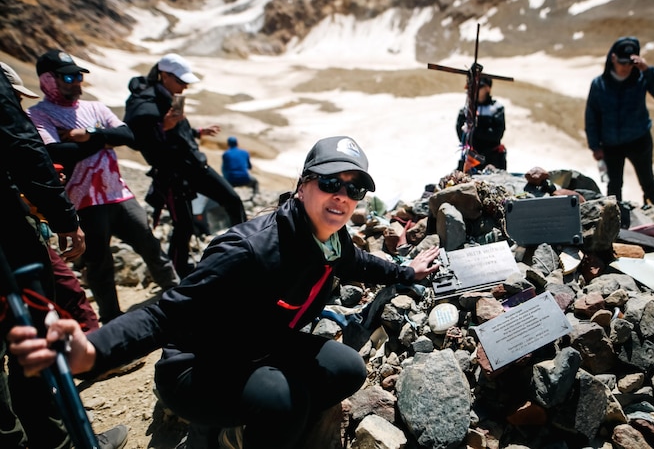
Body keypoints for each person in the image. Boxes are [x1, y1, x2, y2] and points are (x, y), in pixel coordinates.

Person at [9, 135, 442, 449]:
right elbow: (166, 314)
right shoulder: (249, 248)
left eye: (355, 188)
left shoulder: (330, 237)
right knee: (281, 399)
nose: (343, 197)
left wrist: (406, 272)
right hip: (197, 367)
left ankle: (251, 428)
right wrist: (92, 352)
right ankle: (237, 433)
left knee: (347, 369)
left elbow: (358, 264)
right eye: (331, 183)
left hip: (262, 346)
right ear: (303, 184)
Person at [0, 63, 128, 449]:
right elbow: (23, 147)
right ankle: (56, 441)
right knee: (35, 332)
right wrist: (64, 219)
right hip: (7, 234)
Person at [27, 49, 180, 324]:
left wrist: (87, 136)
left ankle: (176, 291)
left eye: (78, 76)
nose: (76, 82)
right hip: (82, 199)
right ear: (48, 80)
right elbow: (56, 153)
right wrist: (103, 141)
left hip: (118, 193)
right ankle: (112, 319)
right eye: (68, 77)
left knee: (148, 242)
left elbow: (128, 135)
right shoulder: (39, 114)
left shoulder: (94, 108)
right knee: (99, 262)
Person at [123, 53, 247, 277]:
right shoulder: (145, 103)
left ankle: (245, 248)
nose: (185, 87)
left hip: (192, 165)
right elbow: (138, 138)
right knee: (185, 225)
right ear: (164, 75)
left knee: (232, 200)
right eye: (181, 81)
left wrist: (198, 132)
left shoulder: (167, 96)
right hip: (173, 174)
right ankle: (179, 271)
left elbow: (178, 133)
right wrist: (164, 126)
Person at [584, 36, 654, 206]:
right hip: (611, 144)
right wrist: (595, 146)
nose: (625, 67)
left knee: (647, 181)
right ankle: (614, 220)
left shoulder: (641, 79)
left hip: (639, 140)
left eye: (629, 63)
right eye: (621, 62)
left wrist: (647, 70)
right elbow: (591, 116)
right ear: (613, 58)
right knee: (614, 185)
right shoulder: (599, 84)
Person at [455, 75, 507, 171]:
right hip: (470, 159)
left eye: (478, 87)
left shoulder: (497, 108)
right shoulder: (466, 109)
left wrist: (474, 130)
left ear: (488, 88)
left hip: (493, 159)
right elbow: (460, 132)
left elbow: (496, 134)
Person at [222, 136, 259, 200]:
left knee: (222, 183)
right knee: (255, 182)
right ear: (237, 143)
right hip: (245, 179)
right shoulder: (245, 152)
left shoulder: (226, 154)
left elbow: (224, 169)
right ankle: (254, 198)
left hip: (231, 181)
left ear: (228, 144)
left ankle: (227, 199)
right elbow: (249, 167)